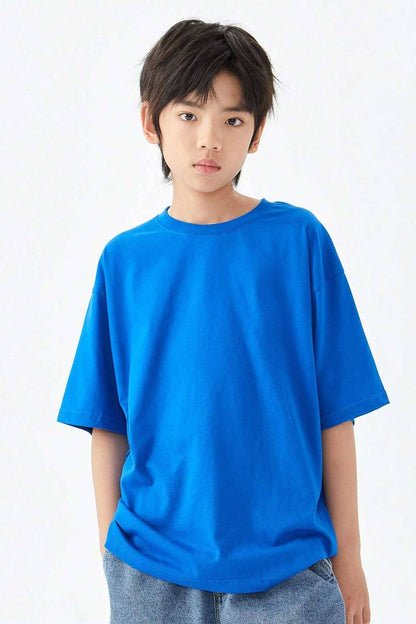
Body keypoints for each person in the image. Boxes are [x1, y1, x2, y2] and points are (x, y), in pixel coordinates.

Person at [57, 18, 390, 624]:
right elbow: (106, 422)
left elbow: (335, 413)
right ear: (151, 122)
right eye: (188, 115)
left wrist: (352, 562)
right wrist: (113, 556)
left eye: (232, 120)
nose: (208, 140)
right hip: (150, 570)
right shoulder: (125, 261)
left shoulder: (299, 242)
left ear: (256, 133)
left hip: (288, 569)